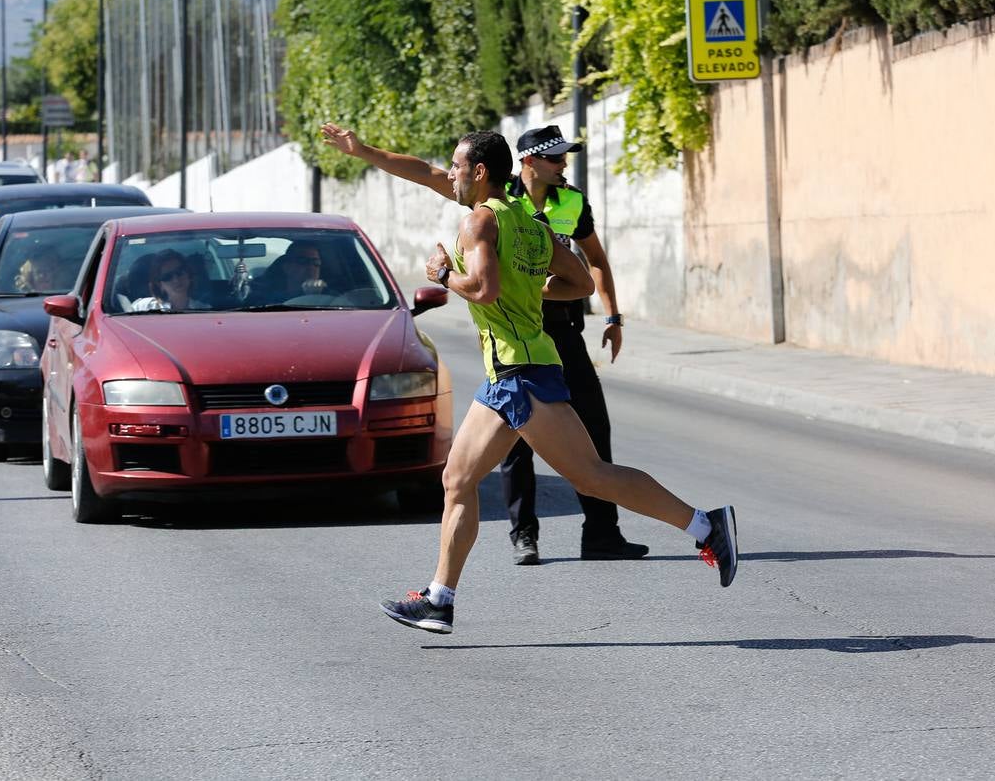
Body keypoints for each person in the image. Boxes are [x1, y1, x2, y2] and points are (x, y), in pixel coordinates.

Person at [321, 126, 738, 635]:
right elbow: (580, 283)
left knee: (591, 476)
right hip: (516, 371)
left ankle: (706, 526)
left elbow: (483, 289)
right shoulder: (530, 220)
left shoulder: (479, 221)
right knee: (458, 479)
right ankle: (439, 599)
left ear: (479, 172)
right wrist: (363, 151)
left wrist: (442, 274)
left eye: (457, 166)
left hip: (519, 373)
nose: (449, 175)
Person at [324, 121, 645, 564]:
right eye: (554, 157)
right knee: (511, 448)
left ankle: (604, 533)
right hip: (517, 337)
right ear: (527, 162)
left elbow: (593, 262)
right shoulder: (491, 193)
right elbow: (426, 173)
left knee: (592, 434)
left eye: (564, 157)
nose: (562, 165)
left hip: (559, 328)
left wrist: (610, 315)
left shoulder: (569, 201)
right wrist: (364, 151)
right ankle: (523, 535)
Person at [248, 239, 326, 304]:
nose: (311, 267)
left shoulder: (328, 296)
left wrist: (315, 296)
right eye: (303, 262)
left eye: (316, 263)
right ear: (287, 267)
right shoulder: (263, 295)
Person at [130, 249, 206, 312]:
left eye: (179, 272)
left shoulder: (205, 311)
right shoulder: (142, 307)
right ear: (160, 285)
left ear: (188, 274)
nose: (176, 280)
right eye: (167, 277)